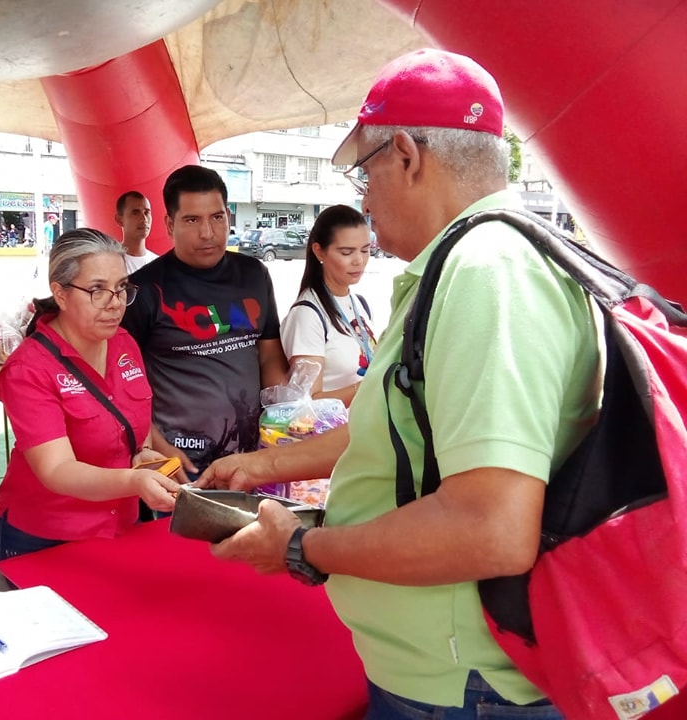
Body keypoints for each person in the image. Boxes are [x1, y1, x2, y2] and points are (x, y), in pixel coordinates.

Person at [199, 49, 600, 719]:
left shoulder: (486, 273)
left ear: (407, 154)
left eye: (366, 172)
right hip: (446, 669)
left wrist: (301, 547)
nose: (364, 199)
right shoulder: (466, 264)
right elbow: (396, 425)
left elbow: (490, 528)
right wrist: (261, 463)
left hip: (463, 683)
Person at [0, 228, 180, 561]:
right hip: (44, 540)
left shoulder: (124, 344)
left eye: (121, 288)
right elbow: (57, 469)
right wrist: (133, 481)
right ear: (60, 293)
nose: (115, 304)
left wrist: (143, 454)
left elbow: (133, 423)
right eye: (97, 290)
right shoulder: (29, 368)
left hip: (120, 529)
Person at [121, 165, 288, 480]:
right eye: (192, 220)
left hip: (250, 457)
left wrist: (282, 421)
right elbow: (120, 381)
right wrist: (157, 446)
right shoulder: (142, 290)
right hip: (180, 463)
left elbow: (268, 355)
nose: (208, 233)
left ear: (228, 215)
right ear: (170, 224)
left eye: (217, 217)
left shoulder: (254, 274)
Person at [280, 204, 376, 407]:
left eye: (366, 250)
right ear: (319, 252)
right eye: (346, 252)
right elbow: (307, 401)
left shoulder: (359, 304)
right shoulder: (307, 315)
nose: (359, 260)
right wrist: (372, 385)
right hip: (332, 434)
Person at [114, 190, 157, 273]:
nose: (144, 219)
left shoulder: (159, 265)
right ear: (119, 220)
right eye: (135, 213)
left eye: (147, 212)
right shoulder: (109, 262)